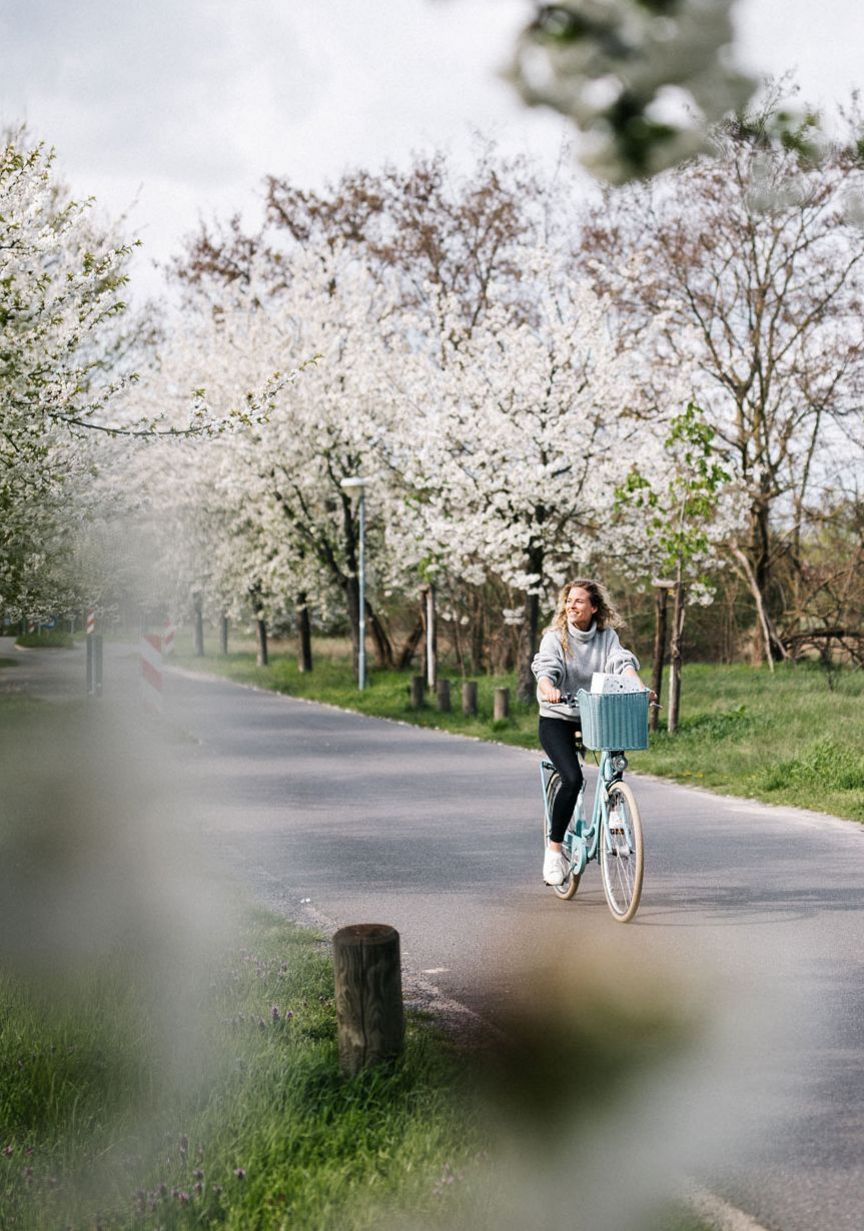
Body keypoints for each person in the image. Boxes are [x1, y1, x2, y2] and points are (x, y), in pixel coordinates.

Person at [532, 579, 650, 886]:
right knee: (573, 778)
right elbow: (546, 670)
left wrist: (639, 688)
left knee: (615, 760)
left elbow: (620, 663)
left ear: (594, 607)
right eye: (569, 600)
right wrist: (549, 689)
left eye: (579, 601)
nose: (571, 605)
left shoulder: (606, 637)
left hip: (593, 714)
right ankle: (555, 851)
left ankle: (615, 821)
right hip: (558, 716)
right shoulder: (555, 638)